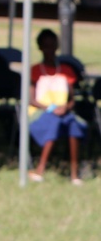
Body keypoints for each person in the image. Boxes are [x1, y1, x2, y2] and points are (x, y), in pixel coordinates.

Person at [29, 28, 86, 185]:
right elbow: (31, 99)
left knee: (73, 123)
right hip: (41, 112)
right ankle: (40, 169)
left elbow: (72, 99)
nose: (50, 50)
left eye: (53, 46)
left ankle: (74, 174)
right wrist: (51, 109)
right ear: (40, 48)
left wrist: (65, 108)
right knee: (54, 122)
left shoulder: (66, 71)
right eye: (46, 46)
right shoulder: (34, 71)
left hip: (63, 111)